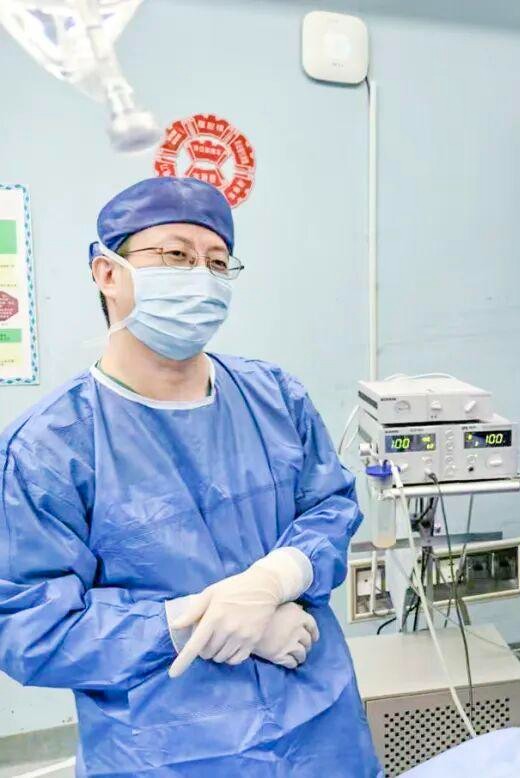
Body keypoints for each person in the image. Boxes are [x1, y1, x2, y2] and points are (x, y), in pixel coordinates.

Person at [0, 177, 381, 776]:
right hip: (167, 750)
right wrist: (195, 623)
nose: (200, 276)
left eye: (217, 262)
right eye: (176, 255)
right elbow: (31, 624)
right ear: (107, 273)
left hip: (319, 728)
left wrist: (275, 578)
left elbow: (329, 506)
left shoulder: (274, 397)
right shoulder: (49, 448)